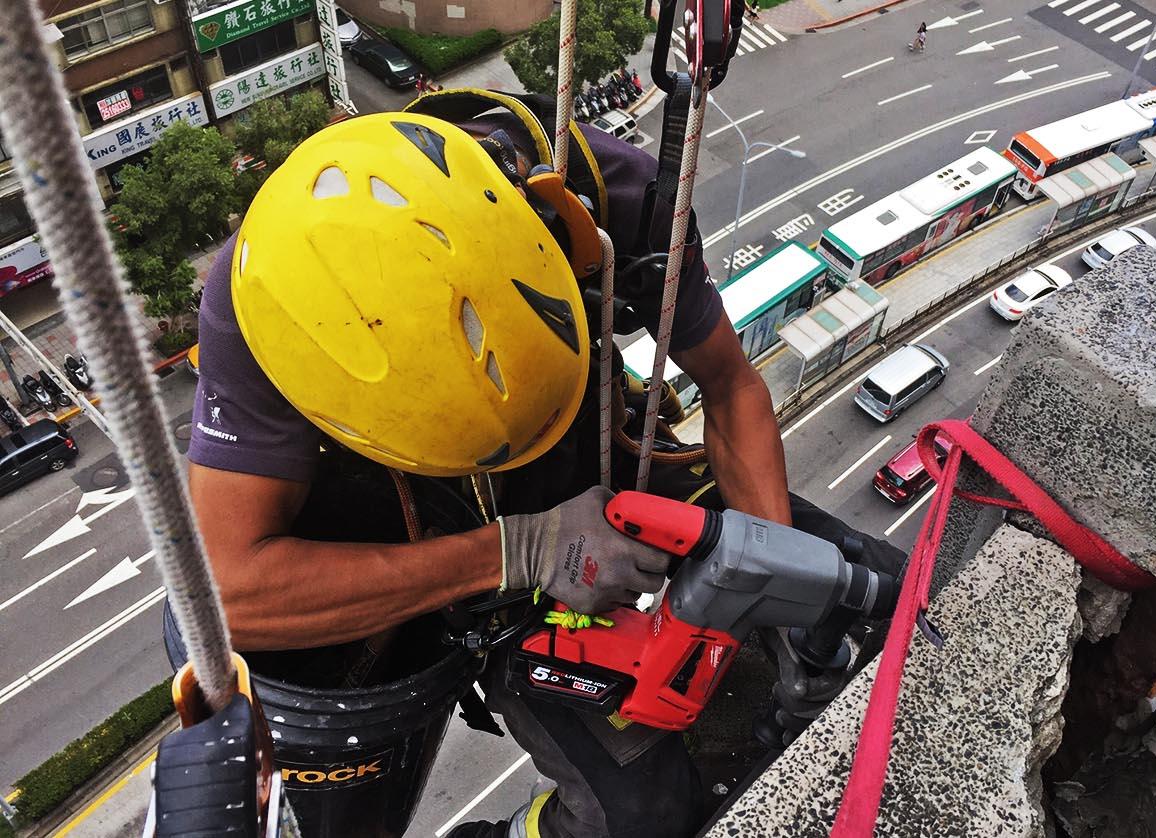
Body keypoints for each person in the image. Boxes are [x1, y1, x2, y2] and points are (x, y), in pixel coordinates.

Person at [176, 93, 901, 838]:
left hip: (612, 468)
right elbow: (232, 595)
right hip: (477, 562)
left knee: (889, 595)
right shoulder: (266, 306)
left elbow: (728, 384)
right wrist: (519, 552)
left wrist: (770, 567)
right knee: (640, 818)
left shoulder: (614, 199)